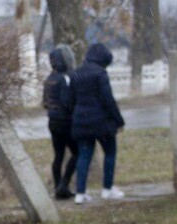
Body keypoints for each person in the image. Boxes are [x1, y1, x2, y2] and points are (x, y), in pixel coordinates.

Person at [70, 42, 125, 204]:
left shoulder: (76, 73)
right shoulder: (100, 74)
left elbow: (70, 99)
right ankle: (107, 189)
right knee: (110, 152)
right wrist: (119, 120)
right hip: (102, 123)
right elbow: (108, 100)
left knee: (84, 155)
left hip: (81, 122)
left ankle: (80, 193)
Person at [42, 44, 78, 199]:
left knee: (58, 155)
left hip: (53, 121)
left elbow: (45, 102)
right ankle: (64, 184)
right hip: (65, 122)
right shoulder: (65, 78)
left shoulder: (49, 79)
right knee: (78, 153)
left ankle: (58, 187)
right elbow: (67, 102)